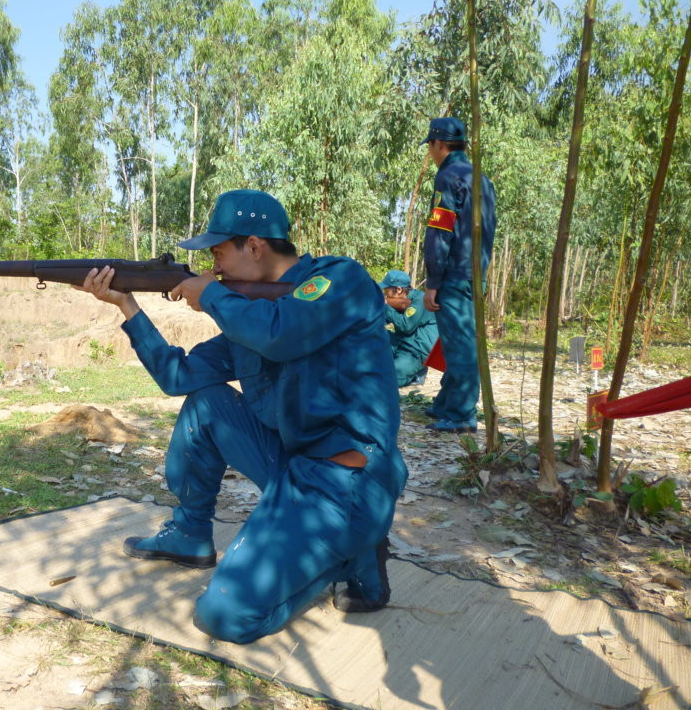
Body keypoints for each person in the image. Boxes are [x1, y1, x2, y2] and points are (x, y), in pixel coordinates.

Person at [76, 188, 407, 645]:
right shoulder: (250, 315)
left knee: (225, 616)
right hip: (291, 467)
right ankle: (190, 535)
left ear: (254, 246)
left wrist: (213, 296)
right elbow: (180, 376)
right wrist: (127, 305)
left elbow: (281, 334)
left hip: (345, 481)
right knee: (206, 403)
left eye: (218, 253)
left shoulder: (339, 280)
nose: (213, 269)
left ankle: (352, 554)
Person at [421, 117, 497, 434]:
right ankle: (447, 403)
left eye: (431, 147)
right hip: (475, 274)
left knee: (461, 345)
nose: (431, 153)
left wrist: (433, 282)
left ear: (439, 145)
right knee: (458, 342)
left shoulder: (448, 177)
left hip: (454, 274)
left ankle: (462, 413)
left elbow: (440, 233)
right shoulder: (482, 179)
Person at [379, 269, 438, 388]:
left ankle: (416, 374)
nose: (386, 295)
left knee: (388, 377)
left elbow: (405, 326)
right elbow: (384, 320)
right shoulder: (399, 301)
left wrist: (386, 307)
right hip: (403, 341)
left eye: (387, 291)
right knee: (376, 339)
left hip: (417, 351)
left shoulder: (419, 300)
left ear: (399, 290)